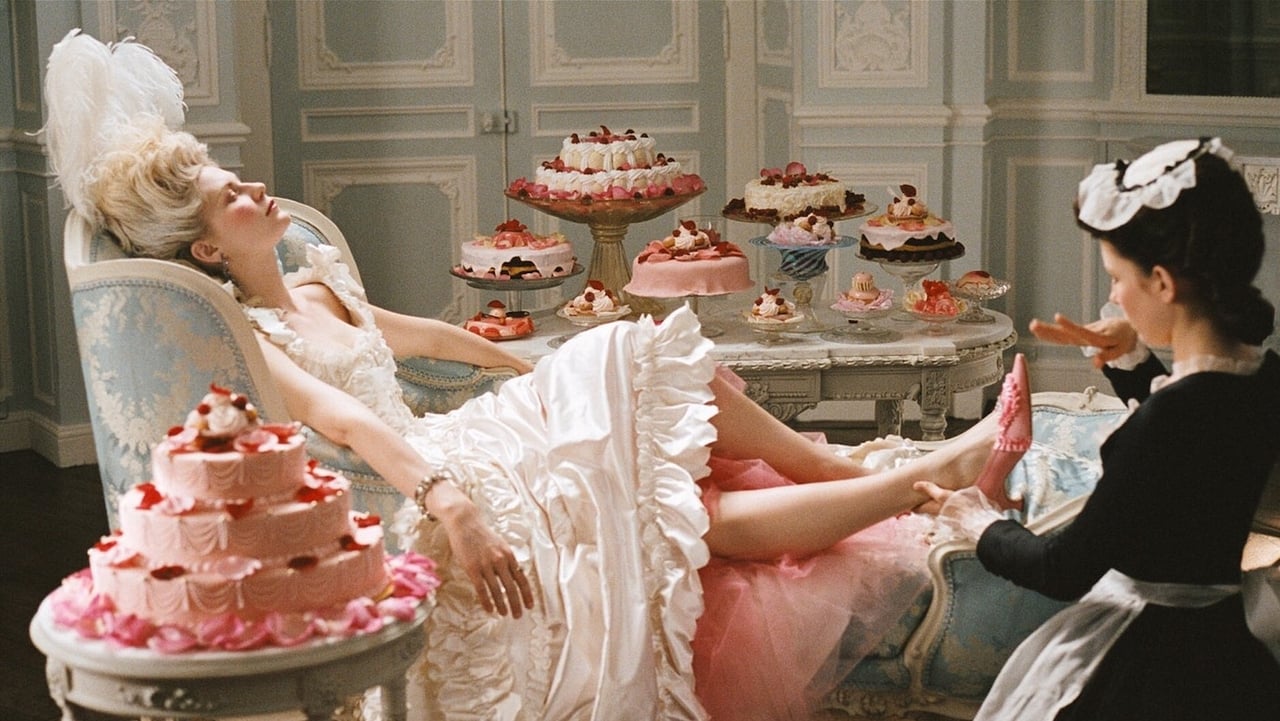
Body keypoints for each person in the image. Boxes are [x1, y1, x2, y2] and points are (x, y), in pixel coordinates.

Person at [44, 31, 1028, 721]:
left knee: (637, 363)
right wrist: (452, 504)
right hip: (428, 483)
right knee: (678, 525)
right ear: (210, 250)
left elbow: (430, 337)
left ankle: (859, 471)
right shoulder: (251, 336)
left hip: (480, 432)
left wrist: (538, 366)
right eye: (234, 195)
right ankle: (922, 478)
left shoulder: (314, 280)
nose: (258, 189)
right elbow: (349, 423)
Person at [917, 137, 1280, 721]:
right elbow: (1199, 438)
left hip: (1153, 663)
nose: (1112, 295)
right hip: (1221, 642)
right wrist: (1132, 359)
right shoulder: (1263, 380)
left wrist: (977, 521)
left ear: (1162, 283)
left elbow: (1062, 569)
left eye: (1116, 278)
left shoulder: (1165, 423)